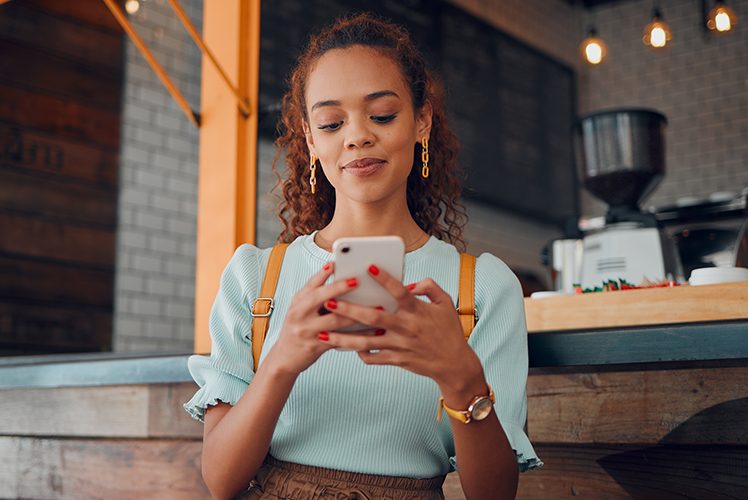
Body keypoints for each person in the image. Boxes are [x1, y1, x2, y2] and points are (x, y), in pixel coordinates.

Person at [184, 12, 541, 500]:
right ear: (311, 140)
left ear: (422, 122)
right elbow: (220, 479)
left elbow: (494, 495)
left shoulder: (480, 289)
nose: (356, 136)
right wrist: (281, 361)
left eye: (382, 114)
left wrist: (461, 378)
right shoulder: (254, 279)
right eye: (331, 122)